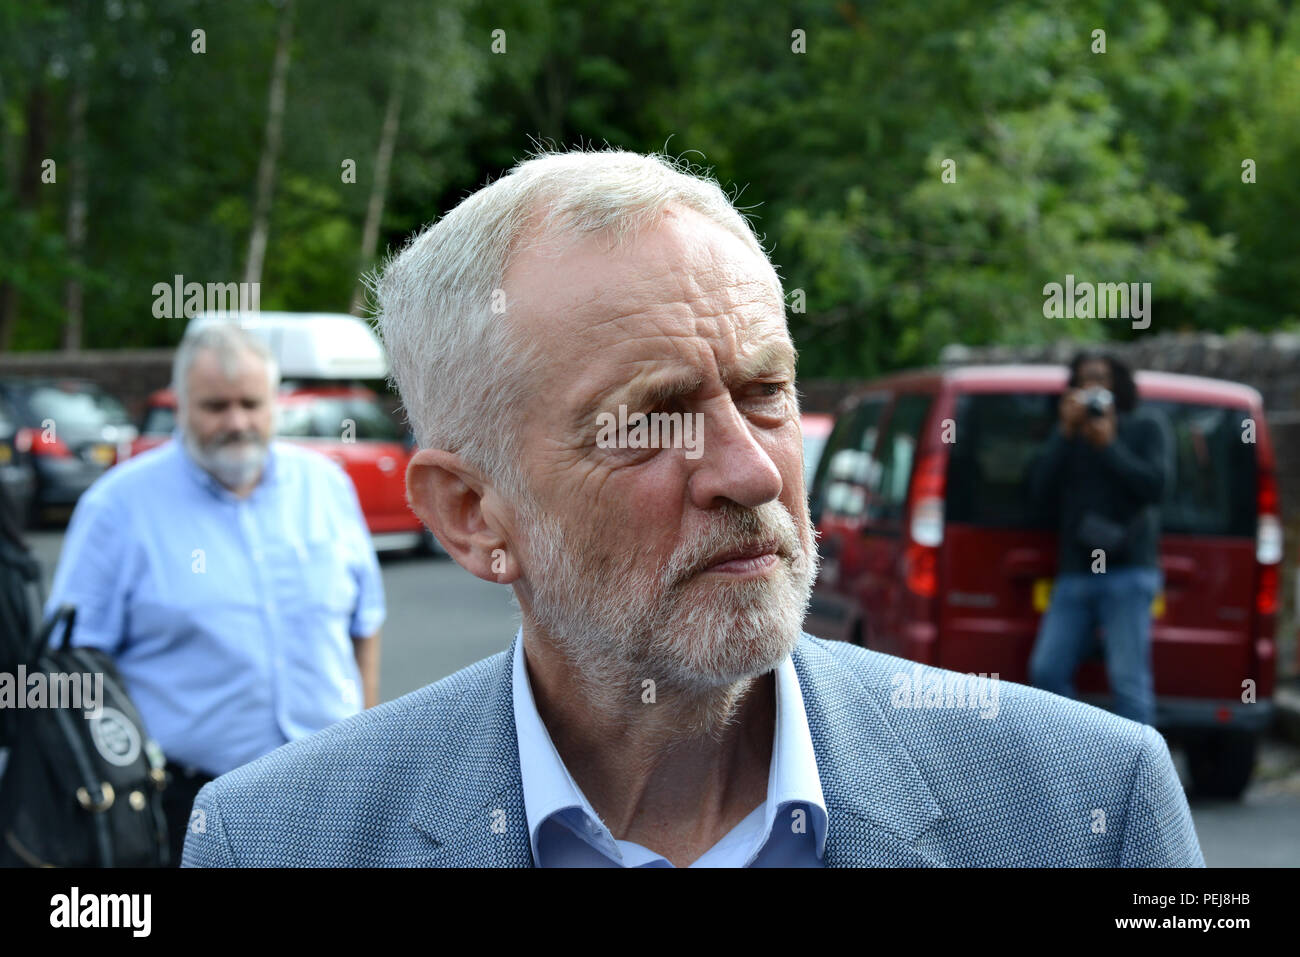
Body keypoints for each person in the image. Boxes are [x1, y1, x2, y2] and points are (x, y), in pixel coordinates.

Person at [184, 149, 1201, 867]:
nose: (754, 473)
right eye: (654, 419)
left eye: (765, 393)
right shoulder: (276, 841)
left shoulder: (1084, 811)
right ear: (468, 513)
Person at [46, 322, 385, 866]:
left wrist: (370, 745)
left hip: (335, 798)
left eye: (251, 403)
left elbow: (364, 622)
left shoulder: (326, 486)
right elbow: (75, 665)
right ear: (179, 404)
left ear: (275, 402)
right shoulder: (117, 508)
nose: (237, 422)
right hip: (189, 808)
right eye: (215, 406)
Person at [1027, 351, 1168, 726]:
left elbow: (1156, 488)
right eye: (1085, 380)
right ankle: (1080, 756)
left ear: (1117, 385)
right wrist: (1063, 432)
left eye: (1101, 379)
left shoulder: (1144, 427)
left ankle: (1141, 776)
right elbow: (1036, 490)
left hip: (1128, 570)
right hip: (1075, 571)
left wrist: (1110, 447)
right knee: (1046, 671)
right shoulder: (1067, 436)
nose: (1093, 388)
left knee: (1129, 682)